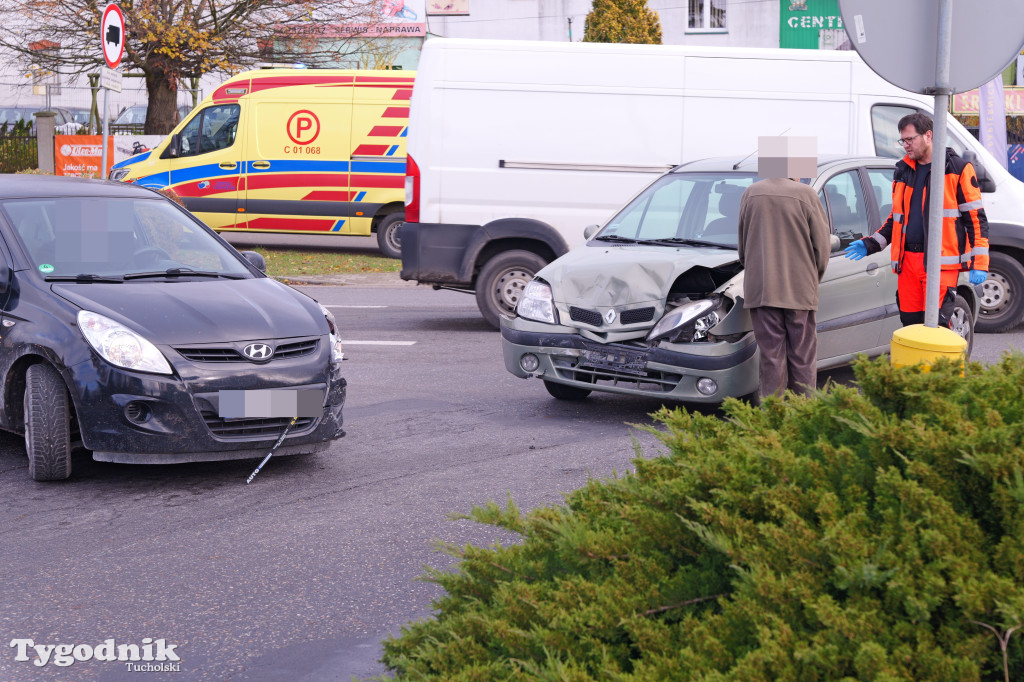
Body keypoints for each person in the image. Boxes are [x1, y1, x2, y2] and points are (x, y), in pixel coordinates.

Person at [844, 112, 989, 327]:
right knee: (911, 326)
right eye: (903, 140)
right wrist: (872, 243)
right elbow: (897, 218)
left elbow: (976, 220)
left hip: (940, 264)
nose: (905, 145)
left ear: (928, 136)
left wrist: (980, 263)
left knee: (937, 328)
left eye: (910, 139)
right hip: (908, 264)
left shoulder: (957, 169)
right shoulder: (903, 170)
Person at [737, 144, 831, 398]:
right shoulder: (806, 195)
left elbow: (743, 249)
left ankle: (774, 416)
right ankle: (802, 415)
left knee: (771, 356)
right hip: (799, 290)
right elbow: (822, 249)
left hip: (762, 289)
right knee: (802, 356)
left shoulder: (751, 193)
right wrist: (812, 279)